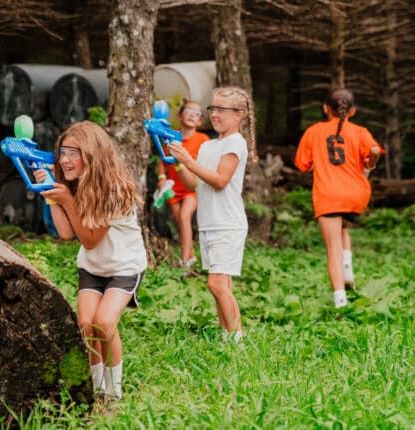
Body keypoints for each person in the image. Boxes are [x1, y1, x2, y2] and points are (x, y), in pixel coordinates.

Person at [34, 121, 147, 401]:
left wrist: (68, 202)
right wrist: (52, 196)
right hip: (92, 267)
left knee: (105, 324)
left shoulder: (114, 190)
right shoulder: (73, 185)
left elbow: (90, 240)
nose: (66, 160)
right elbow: (65, 232)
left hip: (124, 266)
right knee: (86, 325)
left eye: (75, 152)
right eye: (63, 152)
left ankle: (114, 395)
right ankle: (97, 393)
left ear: (93, 154)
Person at [167, 87, 255, 344]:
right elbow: (195, 184)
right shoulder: (208, 145)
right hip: (209, 223)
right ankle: (228, 338)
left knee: (215, 285)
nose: (215, 114)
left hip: (227, 223)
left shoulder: (235, 143)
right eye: (212, 109)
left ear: (239, 115)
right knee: (221, 287)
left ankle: (237, 341)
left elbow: (219, 180)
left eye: (221, 110)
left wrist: (189, 160)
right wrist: (180, 163)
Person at [294, 88, 384, 308]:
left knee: (332, 246)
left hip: (328, 194)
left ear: (325, 109)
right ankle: (347, 268)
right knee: (342, 226)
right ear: (352, 111)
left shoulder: (315, 131)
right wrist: (370, 164)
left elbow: (302, 165)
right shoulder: (360, 131)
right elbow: (374, 149)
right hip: (356, 194)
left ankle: (340, 300)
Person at [156, 100, 210, 268]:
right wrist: (161, 177)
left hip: (191, 187)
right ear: (179, 115)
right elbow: (161, 158)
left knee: (184, 216)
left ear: (200, 121)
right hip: (172, 187)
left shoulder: (203, 139)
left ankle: (185, 261)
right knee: (181, 222)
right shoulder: (171, 136)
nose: (192, 115)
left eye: (197, 113)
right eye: (188, 111)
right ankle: (191, 255)